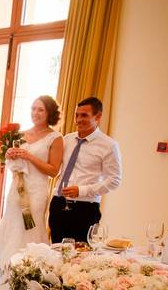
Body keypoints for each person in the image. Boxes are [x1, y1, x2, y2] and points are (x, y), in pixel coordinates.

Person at [0, 96, 64, 263]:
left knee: (29, 228)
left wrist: (29, 157)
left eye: (40, 109)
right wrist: (9, 155)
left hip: (37, 190)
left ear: (50, 113)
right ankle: (3, 268)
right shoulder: (20, 135)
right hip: (17, 188)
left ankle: (28, 269)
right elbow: (11, 164)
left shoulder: (55, 138)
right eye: (33, 108)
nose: (35, 113)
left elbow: (53, 171)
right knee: (12, 226)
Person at [48, 96, 123, 243]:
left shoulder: (108, 145)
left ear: (98, 117)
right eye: (77, 115)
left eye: (84, 115)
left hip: (85, 209)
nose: (78, 119)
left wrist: (82, 190)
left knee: (79, 256)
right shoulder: (66, 140)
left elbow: (114, 180)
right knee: (55, 251)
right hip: (58, 203)